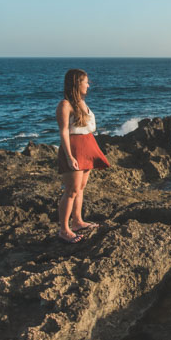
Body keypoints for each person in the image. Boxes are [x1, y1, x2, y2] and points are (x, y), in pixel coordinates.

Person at [56, 69, 110, 243]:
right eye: (85, 81)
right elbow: (64, 132)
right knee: (71, 190)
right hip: (74, 149)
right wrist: (69, 156)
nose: (88, 85)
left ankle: (77, 221)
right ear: (76, 83)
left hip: (87, 146)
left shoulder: (81, 103)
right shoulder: (65, 105)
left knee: (80, 188)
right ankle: (64, 230)